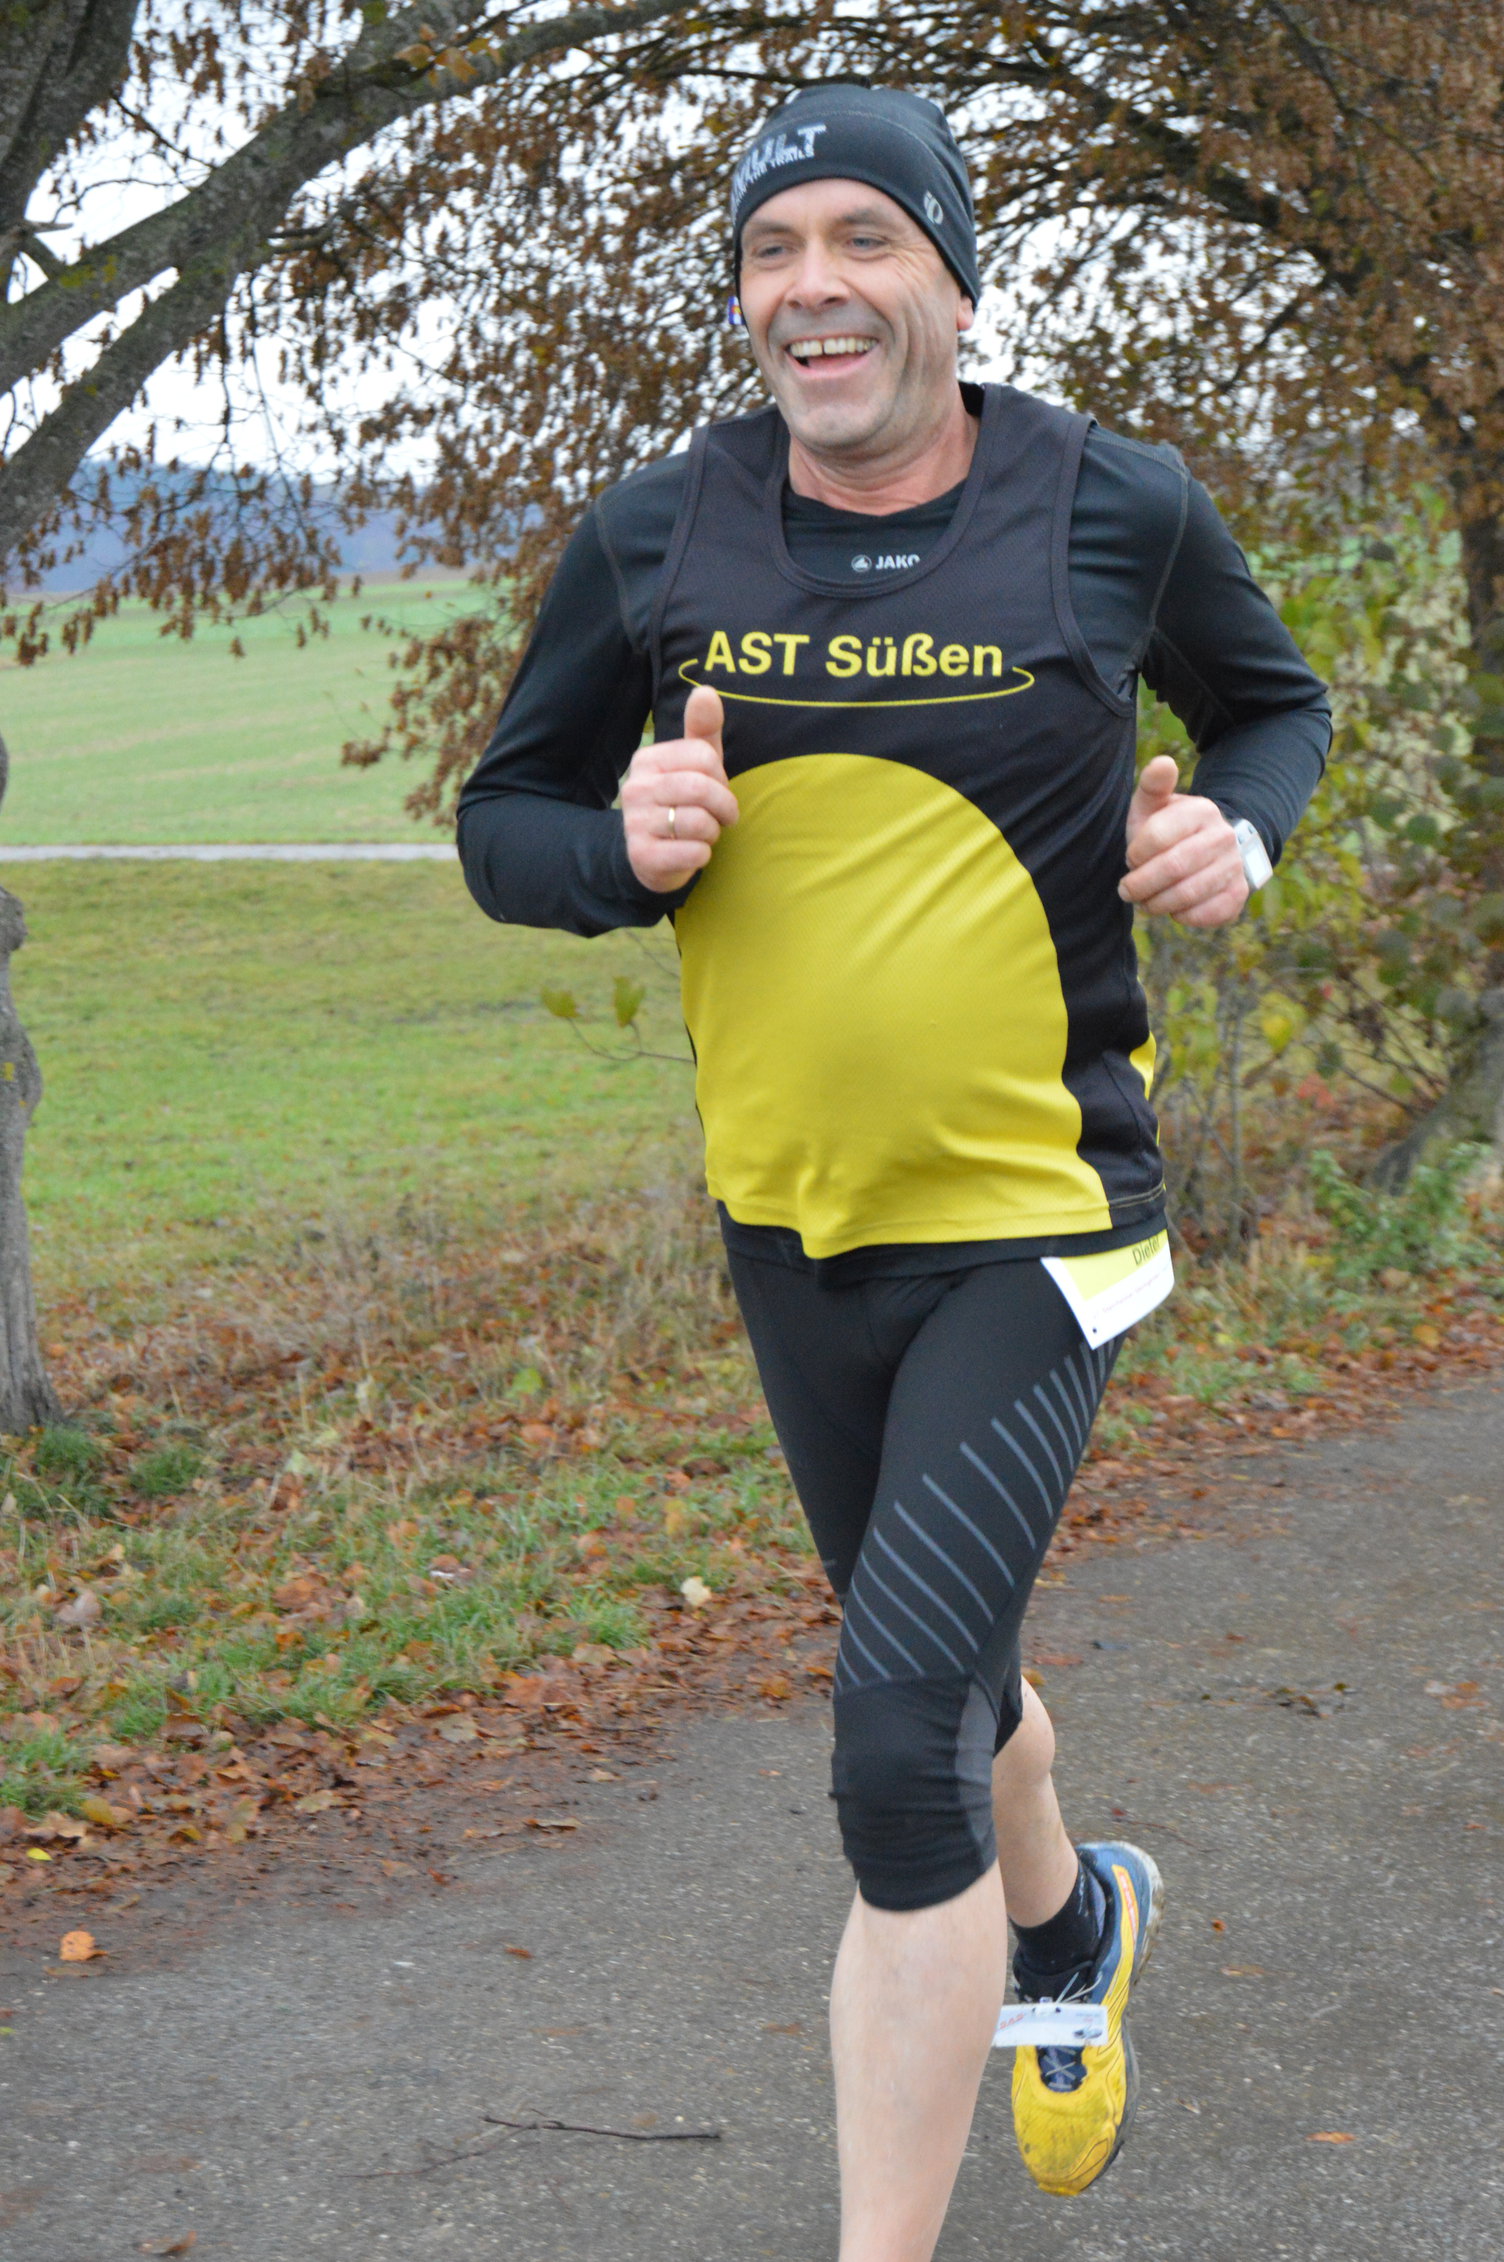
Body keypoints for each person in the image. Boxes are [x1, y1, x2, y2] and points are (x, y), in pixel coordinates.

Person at [458, 80, 1330, 2261]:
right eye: (770, 251)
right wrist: (619, 851)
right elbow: (504, 822)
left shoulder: (1111, 505)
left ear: (952, 275)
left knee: (885, 1745)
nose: (811, 287)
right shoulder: (660, 532)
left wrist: (1235, 831)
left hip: (1042, 1218)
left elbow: (1271, 706)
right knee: (944, 1670)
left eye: (863, 238)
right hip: (791, 1220)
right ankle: (1070, 1920)